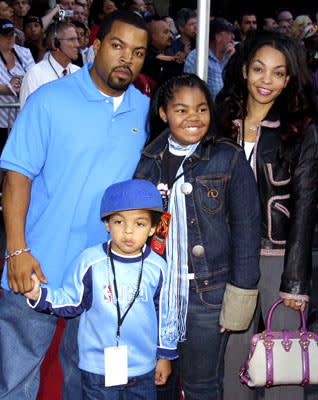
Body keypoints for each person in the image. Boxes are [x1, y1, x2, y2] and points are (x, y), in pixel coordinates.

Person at [0, 10, 150, 400]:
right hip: (38, 265)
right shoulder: (49, 100)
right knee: (16, 381)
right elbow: (16, 178)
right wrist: (16, 250)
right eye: (117, 46)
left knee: (85, 384)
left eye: (138, 52)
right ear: (95, 47)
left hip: (103, 274)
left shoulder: (145, 110)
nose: (127, 59)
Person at [134, 73, 261, 399]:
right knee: (157, 381)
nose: (193, 117)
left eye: (201, 109)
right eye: (181, 109)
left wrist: (239, 299)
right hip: (158, 296)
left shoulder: (228, 157)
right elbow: (142, 229)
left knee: (201, 385)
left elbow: (247, 231)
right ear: (164, 113)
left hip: (208, 296)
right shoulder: (150, 160)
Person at [215, 30, 318, 400]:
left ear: (289, 79)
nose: (266, 81)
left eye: (278, 73)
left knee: (283, 370)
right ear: (244, 69)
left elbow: (305, 207)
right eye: (259, 69)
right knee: (233, 365)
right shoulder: (219, 119)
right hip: (229, 259)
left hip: (278, 259)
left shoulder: (299, 130)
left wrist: (296, 282)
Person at [24, 179, 178, 400]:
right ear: (107, 224)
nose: (128, 231)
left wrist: (165, 356)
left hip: (143, 368)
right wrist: (40, 295)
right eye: (118, 222)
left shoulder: (158, 267)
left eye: (140, 224)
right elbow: (71, 301)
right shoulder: (89, 262)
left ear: (154, 228)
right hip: (98, 369)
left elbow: (166, 314)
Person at [20, 21, 80, 108]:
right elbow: (28, 115)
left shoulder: (78, 72)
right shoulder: (35, 75)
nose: (77, 45)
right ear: (55, 43)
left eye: (77, 39)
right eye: (71, 40)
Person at [0, 18, 33, 150]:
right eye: (5, 35)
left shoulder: (24, 52)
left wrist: (23, 82)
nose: (10, 38)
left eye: (12, 34)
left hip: (22, 120)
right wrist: (7, 87)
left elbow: (34, 76)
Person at [184, 17, 235, 100]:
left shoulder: (230, 55)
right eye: (229, 33)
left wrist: (234, 61)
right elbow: (190, 88)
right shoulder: (197, 56)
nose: (233, 36)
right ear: (218, 37)